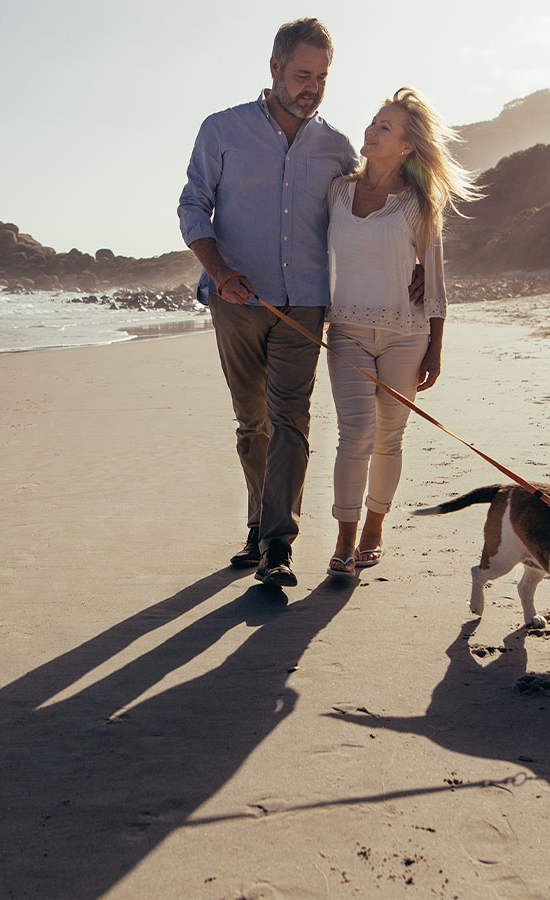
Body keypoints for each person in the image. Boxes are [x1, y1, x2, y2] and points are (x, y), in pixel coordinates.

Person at [177, 18, 358, 588]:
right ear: (275, 67)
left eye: (322, 78)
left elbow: (358, 221)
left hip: (303, 305)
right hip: (235, 301)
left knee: (291, 421)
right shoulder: (222, 129)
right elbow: (192, 207)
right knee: (251, 423)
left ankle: (278, 544)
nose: (312, 87)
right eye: (303, 74)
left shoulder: (336, 147)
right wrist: (221, 272)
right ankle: (258, 525)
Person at [323, 88, 481, 577]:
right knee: (355, 436)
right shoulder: (336, 192)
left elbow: (433, 278)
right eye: (372, 122)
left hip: (404, 335)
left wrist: (436, 345)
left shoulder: (419, 203)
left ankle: (375, 525)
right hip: (346, 330)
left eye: (384, 127)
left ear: (408, 146)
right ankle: (345, 538)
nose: (371, 131)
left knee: (388, 439)